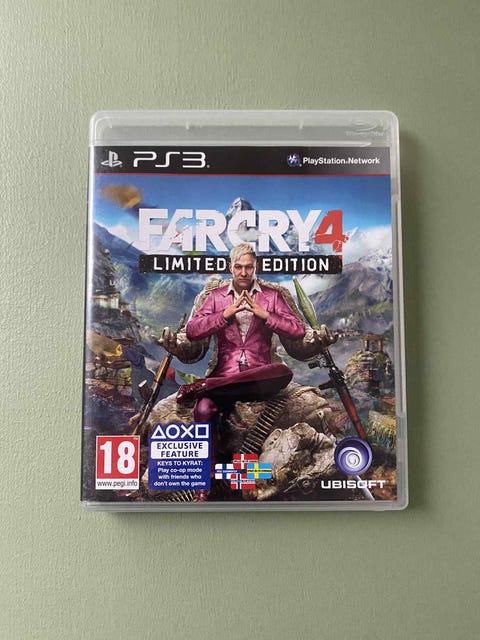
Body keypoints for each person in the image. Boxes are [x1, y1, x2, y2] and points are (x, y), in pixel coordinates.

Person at [158, 243, 336, 423]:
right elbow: (193, 330)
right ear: (231, 268)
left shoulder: (272, 295)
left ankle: (205, 385)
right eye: (238, 267)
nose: (243, 272)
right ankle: (214, 387)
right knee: (203, 409)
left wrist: (266, 315)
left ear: (255, 267)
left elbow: (297, 330)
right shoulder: (216, 296)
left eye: (248, 267)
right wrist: (224, 315)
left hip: (261, 379)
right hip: (224, 376)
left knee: (281, 371)